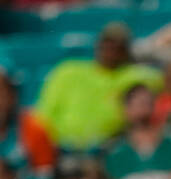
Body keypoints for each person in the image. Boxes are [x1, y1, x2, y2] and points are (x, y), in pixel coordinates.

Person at [35, 23, 162, 151]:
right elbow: (43, 113)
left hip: (108, 147)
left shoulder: (132, 75)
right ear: (98, 45)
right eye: (107, 44)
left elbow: (163, 79)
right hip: (60, 147)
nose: (111, 50)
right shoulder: (68, 70)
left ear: (126, 51)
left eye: (118, 47)